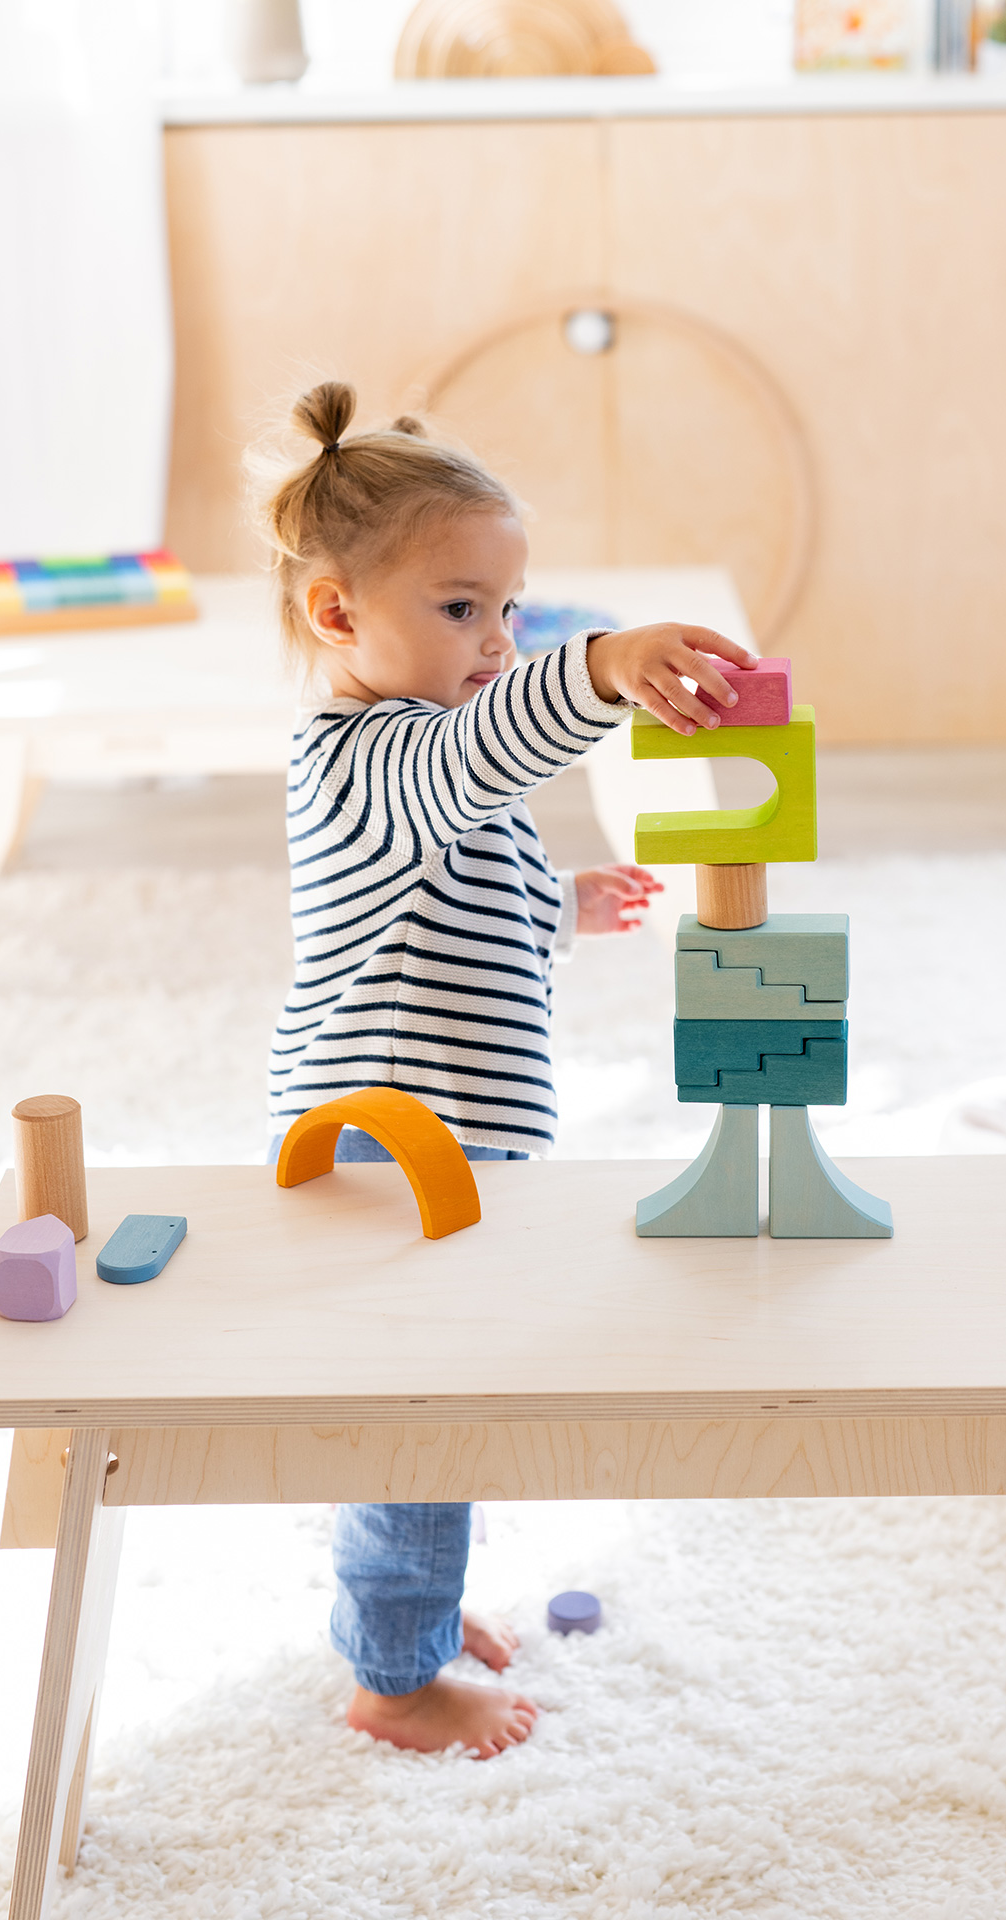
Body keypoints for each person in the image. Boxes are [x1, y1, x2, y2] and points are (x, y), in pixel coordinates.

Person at [261, 380, 756, 1759]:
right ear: (339, 614)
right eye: (462, 606)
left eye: (513, 606)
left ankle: (407, 1611)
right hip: (384, 1150)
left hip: (443, 1142)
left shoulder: (417, 765)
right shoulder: (366, 756)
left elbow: (450, 881)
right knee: (423, 1405)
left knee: (433, 1400)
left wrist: (561, 902)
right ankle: (394, 1675)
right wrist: (600, 665)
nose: (500, 638)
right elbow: (474, 761)